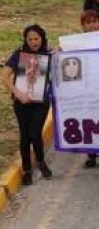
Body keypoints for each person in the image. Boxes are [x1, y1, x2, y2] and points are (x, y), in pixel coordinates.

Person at [2, 25, 53, 186]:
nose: (33, 42)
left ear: (42, 38)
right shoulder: (19, 54)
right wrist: (18, 93)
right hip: (21, 101)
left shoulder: (49, 54)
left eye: (36, 38)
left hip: (41, 102)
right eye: (29, 39)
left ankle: (40, 161)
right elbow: (5, 77)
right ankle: (26, 170)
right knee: (25, 135)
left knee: (34, 133)